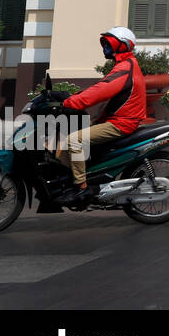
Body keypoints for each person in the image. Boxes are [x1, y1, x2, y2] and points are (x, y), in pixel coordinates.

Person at [54, 28, 147, 204]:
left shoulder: (126, 67)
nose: (105, 48)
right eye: (104, 44)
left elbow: (100, 92)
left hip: (121, 123)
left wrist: (69, 102)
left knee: (75, 140)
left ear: (122, 45)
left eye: (108, 44)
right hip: (116, 119)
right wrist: (71, 96)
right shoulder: (125, 65)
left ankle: (82, 189)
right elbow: (102, 86)